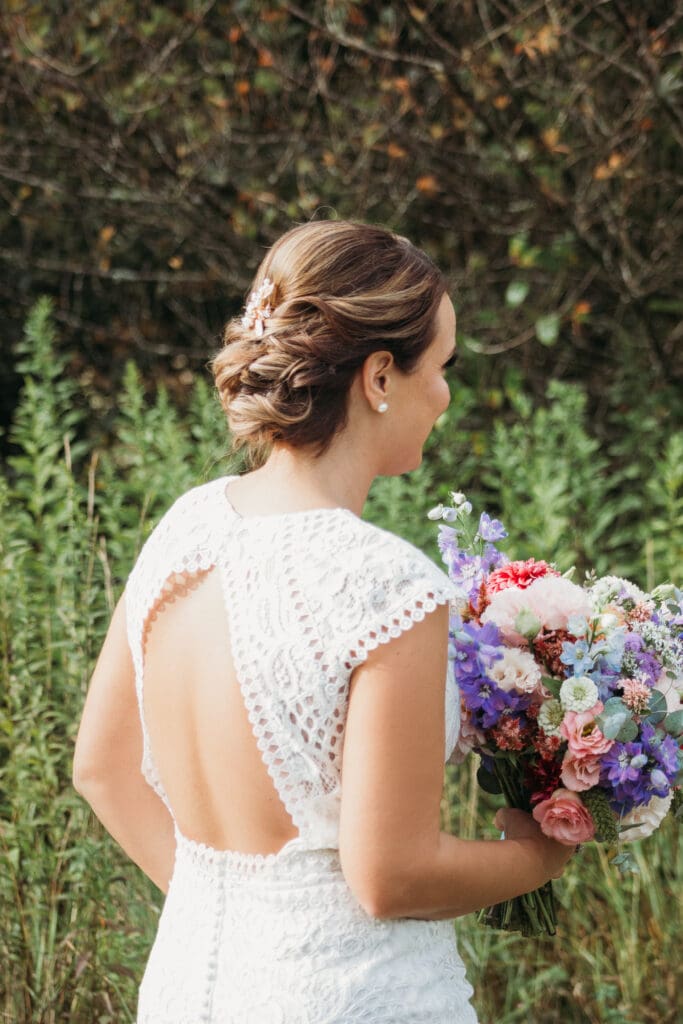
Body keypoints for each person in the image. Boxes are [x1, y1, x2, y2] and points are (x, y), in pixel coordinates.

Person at [73, 220, 574, 1023]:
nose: (444, 395)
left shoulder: (185, 529)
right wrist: (540, 853)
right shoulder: (387, 586)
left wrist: (243, 919)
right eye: (440, 367)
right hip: (350, 998)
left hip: (187, 988)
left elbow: (101, 768)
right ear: (380, 375)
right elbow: (392, 878)